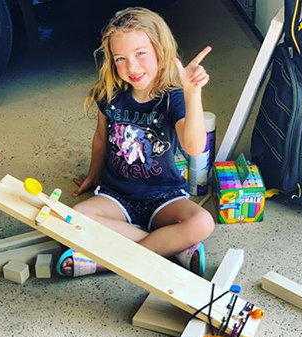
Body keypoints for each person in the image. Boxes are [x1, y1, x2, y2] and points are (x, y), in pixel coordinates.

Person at [58, 7, 215, 278]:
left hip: (165, 196)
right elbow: (100, 138)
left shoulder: (173, 97)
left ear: (160, 50)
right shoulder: (109, 94)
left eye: (140, 53)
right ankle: (168, 244)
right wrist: (93, 176)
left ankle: (104, 263)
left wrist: (192, 94)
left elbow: (194, 147)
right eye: (120, 58)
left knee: (202, 222)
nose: (131, 67)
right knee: (70, 219)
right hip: (116, 195)